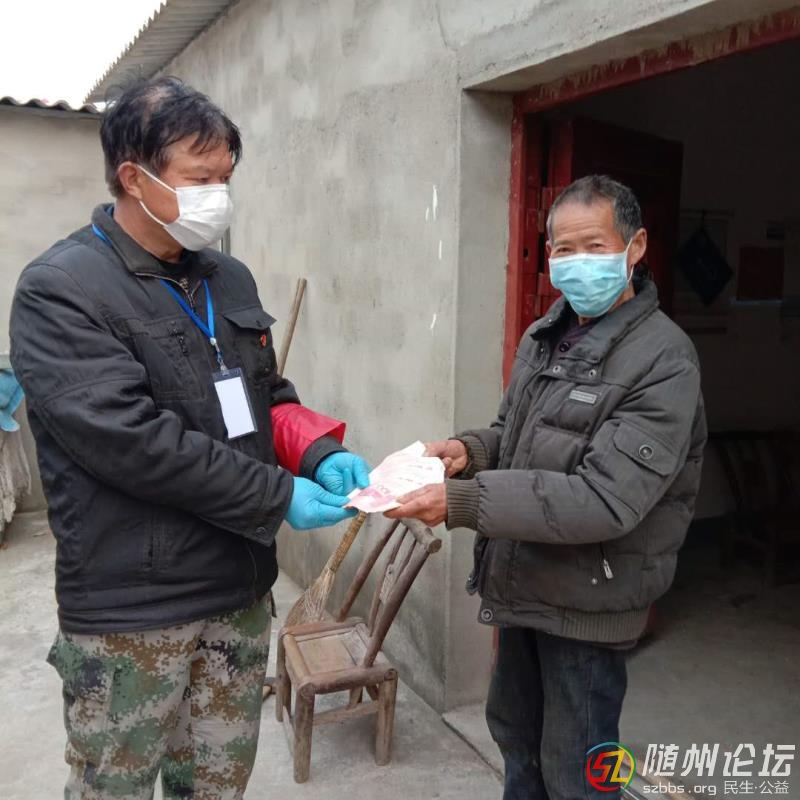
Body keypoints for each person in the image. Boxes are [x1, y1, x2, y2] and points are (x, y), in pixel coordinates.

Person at [10, 77, 370, 800]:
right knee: (113, 789)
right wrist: (278, 495)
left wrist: (317, 451)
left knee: (215, 786)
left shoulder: (226, 278)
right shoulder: (62, 289)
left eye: (225, 178)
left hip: (238, 592)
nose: (218, 196)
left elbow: (263, 394)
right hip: (133, 611)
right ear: (132, 177)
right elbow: (132, 441)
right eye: (200, 179)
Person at [388, 175, 707, 800]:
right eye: (563, 249)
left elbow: (605, 499)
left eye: (594, 246)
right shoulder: (547, 334)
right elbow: (518, 433)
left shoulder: (664, 359)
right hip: (526, 583)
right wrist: (470, 452)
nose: (576, 262)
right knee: (515, 737)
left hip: (590, 601)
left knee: (578, 768)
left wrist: (463, 502)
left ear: (636, 246)